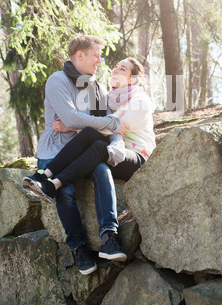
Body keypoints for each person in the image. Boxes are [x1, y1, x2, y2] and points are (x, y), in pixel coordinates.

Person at [23, 54, 156, 272]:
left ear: (132, 80)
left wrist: (71, 127)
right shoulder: (111, 99)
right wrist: (83, 126)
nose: (115, 70)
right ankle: (48, 179)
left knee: (90, 137)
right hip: (113, 152)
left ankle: (50, 180)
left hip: (136, 156)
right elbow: (104, 124)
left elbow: (113, 126)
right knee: (93, 143)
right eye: (115, 67)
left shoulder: (140, 100)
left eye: (122, 69)